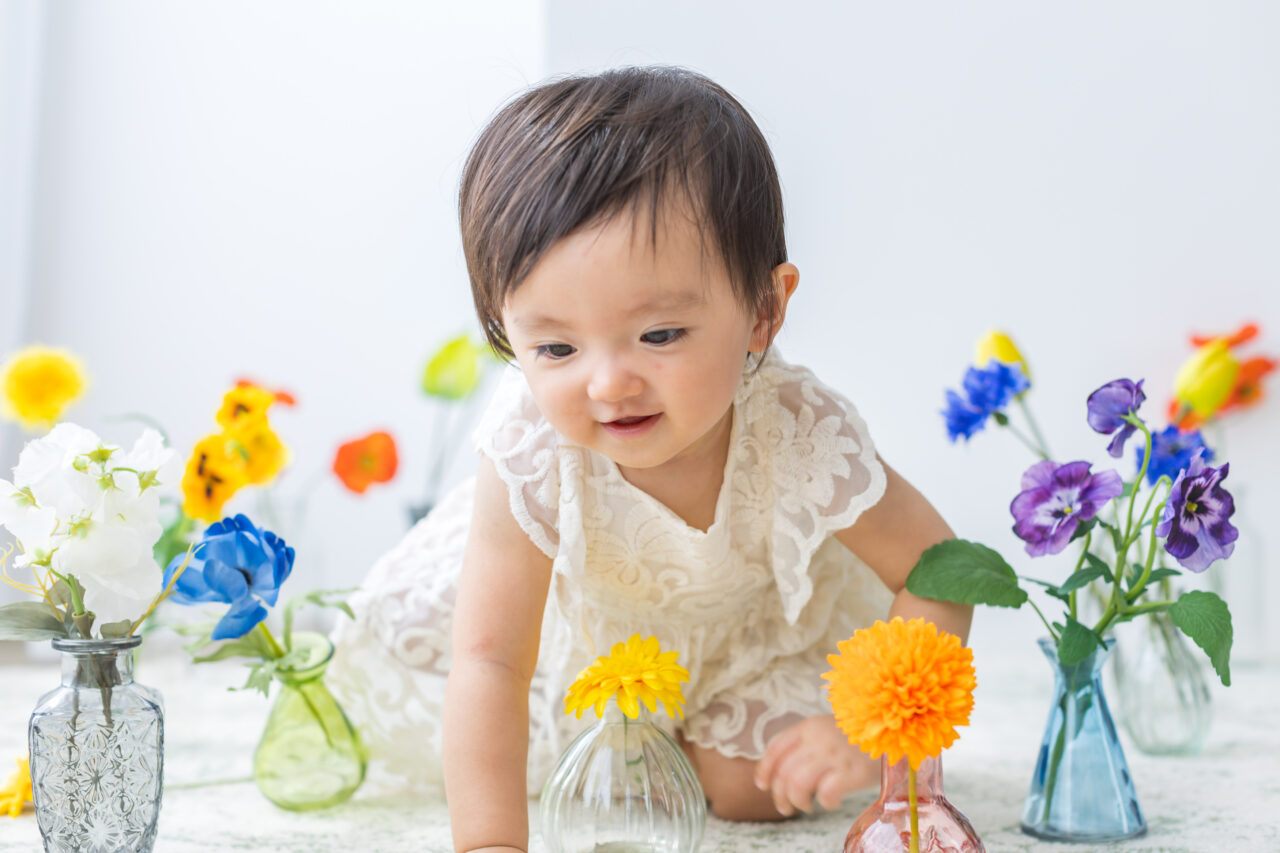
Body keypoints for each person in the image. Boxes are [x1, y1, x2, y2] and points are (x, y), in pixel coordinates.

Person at [327, 65, 971, 852]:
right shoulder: (533, 444)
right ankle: (630, 750)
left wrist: (865, 729)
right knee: (535, 759)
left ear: (763, 311)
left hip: (748, 645)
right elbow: (491, 658)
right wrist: (489, 843)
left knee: (748, 786)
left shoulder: (794, 429)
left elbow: (938, 569)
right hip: (584, 652)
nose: (609, 382)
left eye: (660, 334)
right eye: (556, 346)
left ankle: (697, 750)